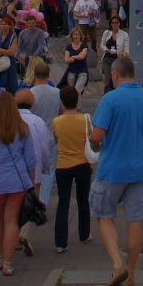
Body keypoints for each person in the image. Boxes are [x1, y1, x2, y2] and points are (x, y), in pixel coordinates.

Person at [88, 55, 143, 286]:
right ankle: (131, 275)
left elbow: (97, 137)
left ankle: (117, 264)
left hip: (111, 170)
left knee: (104, 214)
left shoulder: (110, 99)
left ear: (115, 74)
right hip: (139, 169)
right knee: (135, 220)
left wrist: (94, 144)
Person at [0, 92, 38, 277]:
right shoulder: (23, 128)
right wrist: (31, 184)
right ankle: (7, 263)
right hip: (17, 180)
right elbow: (31, 160)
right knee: (11, 220)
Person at [51, 84, 93, 254]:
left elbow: (56, 141)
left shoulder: (56, 122)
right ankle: (84, 234)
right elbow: (91, 139)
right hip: (82, 163)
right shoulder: (85, 119)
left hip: (63, 164)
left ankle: (61, 241)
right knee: (83, 200)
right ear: (77, 101)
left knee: (63, 202)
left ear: (62, 103)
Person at [14, 88, 55, 260]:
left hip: (11, 172)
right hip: (33, 172)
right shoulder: (38, 122)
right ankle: (23, 233)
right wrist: (46, 168)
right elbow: (45, 148)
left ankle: (11, 235)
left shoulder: (9, 119)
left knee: (11, 205)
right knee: (30, 203)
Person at [0, 15, 21, 96]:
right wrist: (6, 51)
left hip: (9, 65)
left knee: (11, 88)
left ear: (9, 26)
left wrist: (0, 50)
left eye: (5, 24)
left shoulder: (13, 37)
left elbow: (12, 53)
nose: (3, 26)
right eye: (2, 24)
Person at [27, 59, 62, 125]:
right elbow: (61, 112)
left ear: (34, 75)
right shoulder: (58, 93)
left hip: (36, 132)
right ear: (48, 75)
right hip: (52, 133)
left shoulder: (29, 94)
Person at [99, 14, 130, 85]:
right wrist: (106, 50)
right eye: (113, 23)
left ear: (119, 24)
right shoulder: (107, 33)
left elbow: (126, 48)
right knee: (107, 80)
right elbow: (102, 44)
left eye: (116, 23)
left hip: (117, 59)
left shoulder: (124, 35)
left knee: (117, 80)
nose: (114, 25)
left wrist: (124, 55)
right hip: (107, 58)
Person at [61, 28, 91, 94]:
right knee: (72, 92)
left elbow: (82, 56)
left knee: (77, 91)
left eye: (77, 34)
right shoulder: (69, 47)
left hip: (82, 71)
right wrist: (77, 57)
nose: (75, 36)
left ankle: (78, 104)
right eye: (74, 35)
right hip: (71, 71)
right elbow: (66, 59)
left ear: (80, 35)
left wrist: (72, 57)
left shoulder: (84, 46)